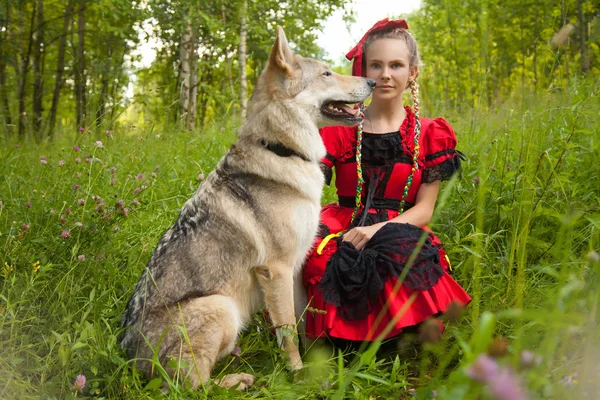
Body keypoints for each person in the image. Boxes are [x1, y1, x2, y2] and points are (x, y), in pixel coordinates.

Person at [302, 18, 471, 343]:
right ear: (363, 69)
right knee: (328, 256)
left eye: (396, 65)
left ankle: (399, 335)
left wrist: (374, 230)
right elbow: (304, 188)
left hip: (402, 223)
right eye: (376, 65)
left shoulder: (429, 134)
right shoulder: (340, 128)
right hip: (343, 220)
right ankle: (331, 336)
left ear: (413, 72)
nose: (385, 74)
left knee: (400, 254)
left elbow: (424, 210)